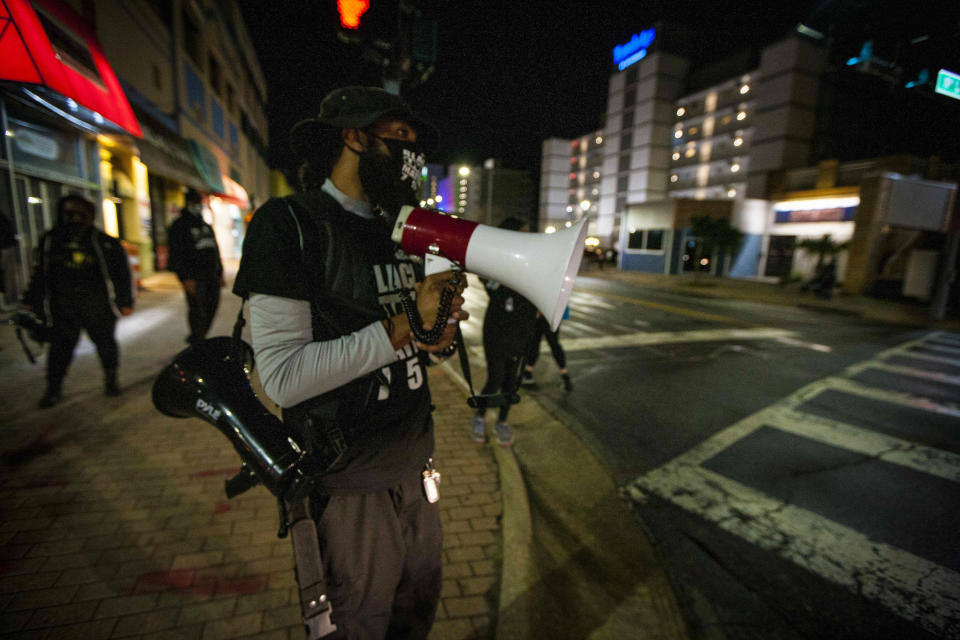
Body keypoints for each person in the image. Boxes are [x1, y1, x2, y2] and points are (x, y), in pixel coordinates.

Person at [232, 86, 467, 639]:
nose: (411, 154)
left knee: (417, 614)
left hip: (415, 468)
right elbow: (285, 379)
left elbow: (413, 347)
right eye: (399, 136)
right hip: (348, 488)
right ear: (353, 136)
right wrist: (408, 320)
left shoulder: (403, 232)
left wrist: (439, 335)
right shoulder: (288, 225)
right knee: (359, 622)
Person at [21, 194, 133, 407]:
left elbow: (121, 274)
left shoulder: (103, 242)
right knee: (60, 350)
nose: (74, 218)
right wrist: (30, 300)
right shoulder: (51, 241)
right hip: (63, 306)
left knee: (106, 345)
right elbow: (40, 274)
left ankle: (111, 380)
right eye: (69, 213)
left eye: (80, 213)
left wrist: (125, 301)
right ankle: (53, 388)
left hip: (97, 304)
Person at [471, 217, 539, 446]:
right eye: (522, 233)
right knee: (495, 378)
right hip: (497, 331)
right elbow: (489, 282)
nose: (527, 237)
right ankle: (480, 417)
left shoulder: (529, 264)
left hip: (520, 332)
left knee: (511, 382)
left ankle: (501, 422)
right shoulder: (495, 267)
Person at [167, 189, 224, 344]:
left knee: (212, 307)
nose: (197, 206)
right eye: (194, 203)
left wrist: (220, 273)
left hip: (211, 275)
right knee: (197, 310)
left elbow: (215, 250)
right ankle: (198, 340)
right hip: (194, 277)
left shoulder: (205, 225)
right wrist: (185, 278)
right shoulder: (179, 226)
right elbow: (176, 254)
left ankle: (199, 337)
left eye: (198, 203)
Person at [521, 309, 572, 391]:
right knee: (554, 344)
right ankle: (564, 374)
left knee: (535, 343)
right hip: (554, 315)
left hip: (542, 315)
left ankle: (527, 374)